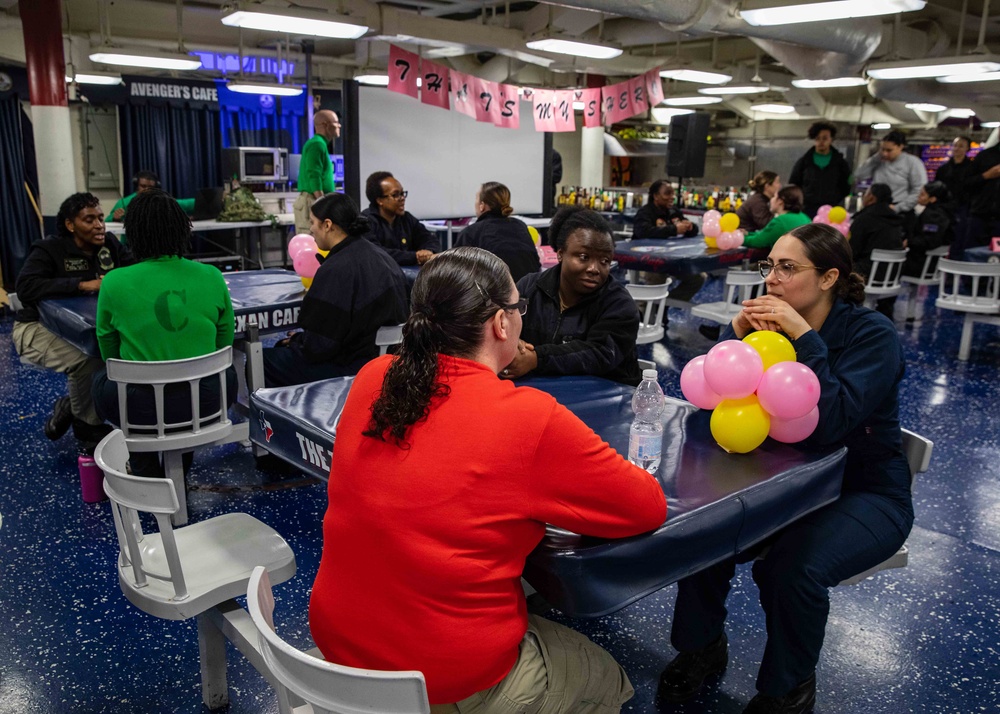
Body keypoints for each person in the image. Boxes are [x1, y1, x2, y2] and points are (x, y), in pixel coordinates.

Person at [309, 246, 667, 712]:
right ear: (502, 323)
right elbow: (645, 506)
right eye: (518, 308)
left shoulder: (374, 376)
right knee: (609, 678)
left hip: (340, 650)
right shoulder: (525, 419)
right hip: (439, 679)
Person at [657, 223, 911, 714]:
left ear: (829, 277)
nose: (771, 278)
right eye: (768, 265)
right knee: (704, 533)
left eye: (788, 268)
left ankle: (788, 688)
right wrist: (728, 351)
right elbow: (719, 422)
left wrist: (804, 337)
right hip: (785, 482)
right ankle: (700, 647)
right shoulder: (764, 334)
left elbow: (831, 422)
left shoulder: (871, 335)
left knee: (792, 569)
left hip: (865, 490)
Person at [91, 189, 237, 478]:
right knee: (220, 373)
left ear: (132, 234)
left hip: (140, 408)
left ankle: (144, 467)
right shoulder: (212, 276)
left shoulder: (114, 282)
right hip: (205, 403)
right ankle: (180, 466)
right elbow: (224, 344)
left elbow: (108, 350)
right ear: (183, 230)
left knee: (100, 377)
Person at [13, 192, 129, 448]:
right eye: (89, 219)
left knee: (118, 352)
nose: (99, 225)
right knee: (91, 359)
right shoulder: (49, 249)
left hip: (88, 328)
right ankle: (88, 427)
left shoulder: (109, 244)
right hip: (37, 328)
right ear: (70, 224)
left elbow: (134, 270)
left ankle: (72, 406)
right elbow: (26, 287)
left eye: (100, 218)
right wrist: (83, 284)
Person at [264, 193, 409, 387]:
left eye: (313, 223)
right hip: (391, 362)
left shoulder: (336, 269)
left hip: (353, 367)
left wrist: (297, 341)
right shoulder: (382, 257)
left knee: (265, 360)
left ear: (327, 225)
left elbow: (319, 346)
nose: (311, 230)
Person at [506, 206, 641, 386]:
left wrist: (536, 358)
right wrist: (514, 344)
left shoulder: (620, 304)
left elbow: (598, 354)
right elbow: (503, 324)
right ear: (561, 254)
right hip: (541, 391)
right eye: (584, 257)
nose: (594, 269)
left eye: (605, 261)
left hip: (605, 396)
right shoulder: (529, 287)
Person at [632, 180, 704, 307]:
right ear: (655, 196)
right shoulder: (645, 212)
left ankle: (663, 305)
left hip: (673, 260)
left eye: (673, 194)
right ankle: (645, 312)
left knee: (698, 278)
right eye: (667, 194)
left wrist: (690, 227)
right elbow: (643, 232)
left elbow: (693, 230)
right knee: (657, 279)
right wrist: (673, 230)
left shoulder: (674, 212)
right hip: (649, 261)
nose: (671, 197)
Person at [454, 181, 541, 283]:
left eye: (476, 198)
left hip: (493, 296)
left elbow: (454, 270)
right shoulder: (520, 226)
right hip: (528, 292)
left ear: (482, 205)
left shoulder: (470, 232)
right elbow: (535, 264)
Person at [854, 131, 927, 239]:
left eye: (889, 150)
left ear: (900, 147)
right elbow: (859, 175)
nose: (885, 154)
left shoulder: (913, 163)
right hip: (876, 210)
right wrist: (875, 158)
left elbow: (919, 189)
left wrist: (898, 207)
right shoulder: (879, 160)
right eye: (882, 149)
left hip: (900, 212)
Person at [847, 183, 904, 319]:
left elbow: (852, 251)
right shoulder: (896, 220)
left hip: (869, 274)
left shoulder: (864, 218)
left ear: (872, 197)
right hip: (893, 275)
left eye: (866, 194)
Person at [362, 171, 440, 266]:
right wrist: (415, 256)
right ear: (379, 200)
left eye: (403, 193)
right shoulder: (365, 222)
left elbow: (429, 239)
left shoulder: (406, 218)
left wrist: (428, 251)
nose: (402, 198)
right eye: (395, 195)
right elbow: (377, 253)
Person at [788, 121, 853, 218]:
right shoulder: (804, 161)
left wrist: (835, 199)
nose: (821, 142)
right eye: (818, 138)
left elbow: (846, 185)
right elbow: (794, 183)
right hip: (807, 209)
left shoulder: (840, 163)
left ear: (831, 139)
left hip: (831, 210)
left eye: (825, 138)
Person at [293, 109, 340, 234]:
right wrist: (322, 203)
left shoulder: (320, 144)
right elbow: (314, 175)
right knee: (312, 243)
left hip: (315, 200)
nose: (339, 125)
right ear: (325, 124)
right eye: (336, 122)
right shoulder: (317, 144)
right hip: (312, 201)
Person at [903, 181, 952, 278]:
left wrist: (908, 242)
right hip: (929, 262)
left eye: (922, 194)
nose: (919, 197)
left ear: (932, 199)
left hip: (922, 264)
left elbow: (929, 240)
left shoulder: (933, 216)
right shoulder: (943, 212)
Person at [960, 138, 1000, 257]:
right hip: (980, 215)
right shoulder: (984, 156)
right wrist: (986, 176)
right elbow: (966, 184)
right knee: (972, 255)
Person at [743, 185, 810, 249]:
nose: (771, 200)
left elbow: (758, 242)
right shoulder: (804, 217)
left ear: (780, 201)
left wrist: (739, 238)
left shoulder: (781, 221)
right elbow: (765, 234)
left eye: (774, 197)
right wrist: (748, 233)